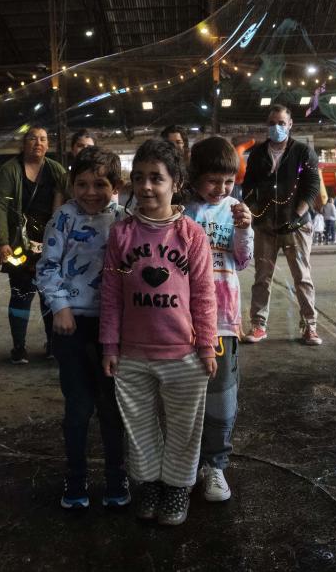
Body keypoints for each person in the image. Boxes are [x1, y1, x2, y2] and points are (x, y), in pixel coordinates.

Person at [100, 139, 217, 526]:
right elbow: (112, 294)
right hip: (132, 355)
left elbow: (203, 295)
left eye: (156, 178)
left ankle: (177, 489)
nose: (146, 186)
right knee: (140, 428)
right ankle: (148, 484)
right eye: (139, 178)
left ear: (176, 181)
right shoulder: (121, 236)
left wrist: (206, 347)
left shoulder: (192, 236)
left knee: (184, 430)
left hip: (183, 355)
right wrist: (110, 345)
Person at [35, 146, 128, 510]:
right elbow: (47, 266)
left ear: (116, 185)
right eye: (82, 184)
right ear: (72, 184)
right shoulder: (63, 218)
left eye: (100, 184)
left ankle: (117, 478)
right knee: (78, 407)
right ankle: (75, 480)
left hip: (113, 330)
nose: (91, 192)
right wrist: (60, 307)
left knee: (111, 407)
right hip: (72, 326)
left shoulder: (125, 220)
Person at [183, 136, 253, 503]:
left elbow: (242, 260)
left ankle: (215, 465)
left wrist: (244, 229)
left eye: (228, 181)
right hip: (182, 318)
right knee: (187, 394)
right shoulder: (182, 211)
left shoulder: (236, 210)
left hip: (224, 317)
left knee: (222, 396)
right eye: (213, 180)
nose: (221, 189)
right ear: (194, 177)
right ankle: (188, 462)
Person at [241, 104, 323, 345]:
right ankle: (258, 326)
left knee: (302, 278)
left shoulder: (303, 152)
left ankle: (310, 326)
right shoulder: (257, 153)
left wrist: (295, 217)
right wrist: (256, 213)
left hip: (296, 227)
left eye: (280, 122)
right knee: (261, 278)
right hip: (265, 227)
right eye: (271, 123)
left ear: (290, 125)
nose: (276, 127)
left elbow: (311, 188)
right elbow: (248, 187)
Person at [0, 126, 67, 365]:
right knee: (21, 293)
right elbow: (0, 206)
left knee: (49, 295)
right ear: (24, 143)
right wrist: (1, 241)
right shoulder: (9, 170)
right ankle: (19, 347)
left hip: (50, 242)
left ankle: (53, 344)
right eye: (33, 138)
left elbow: (70, 199)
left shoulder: (56, 170)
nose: (38, 143)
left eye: (43, 139)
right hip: (18, 243)